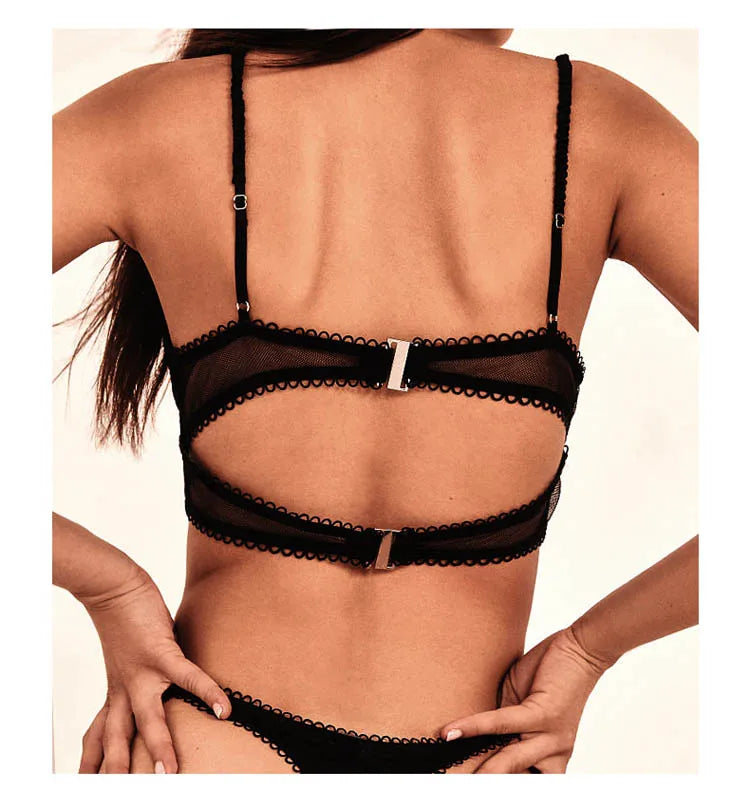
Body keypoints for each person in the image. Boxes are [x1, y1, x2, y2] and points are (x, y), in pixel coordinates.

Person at [52, 28, 698, 774]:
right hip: (478, 762)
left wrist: (109, 585)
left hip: (205, 745)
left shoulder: (158, 116)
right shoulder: (602, 126)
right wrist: (590, 649)